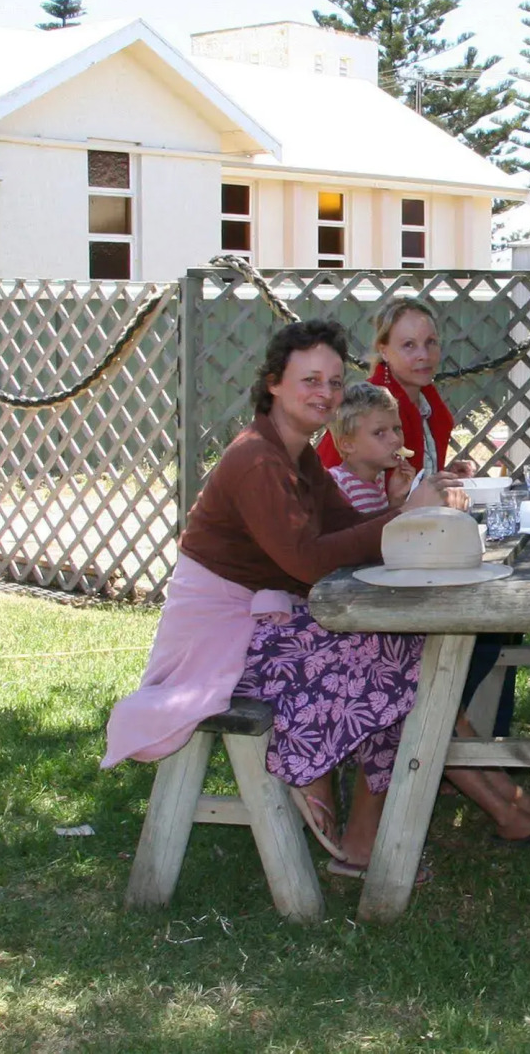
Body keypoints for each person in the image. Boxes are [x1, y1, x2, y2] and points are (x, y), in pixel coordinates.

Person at [102, 320, 464, 880]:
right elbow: (307, 560)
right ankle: (306, 768)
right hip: (220, 644)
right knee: (399, 657)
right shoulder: (257, 460)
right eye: (310, 380)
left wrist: (395, 509)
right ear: (273, 383)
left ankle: (355, 829)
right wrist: (401, 518)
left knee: (404, 648)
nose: (325, 393)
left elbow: (346, 532)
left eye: (335, 382)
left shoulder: (298, 457)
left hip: (266, 623)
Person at [326, 382, 530, 847]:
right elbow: (357, 552)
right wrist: (404, 511)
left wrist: (398, 502)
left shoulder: (377, 486)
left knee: (441, 695)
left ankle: (507, 792)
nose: (395, 441)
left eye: (396, 429)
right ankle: (502, 807)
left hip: (381, 623)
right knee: (426, 696)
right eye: (380, 433)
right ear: (346, 443)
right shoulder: (339, 486)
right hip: (351, 629)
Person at [317, 297, 475, 479]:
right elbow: (335, 484)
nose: (423, 355)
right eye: (409, 345)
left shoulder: (429, 404)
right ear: (384, 351)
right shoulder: (367, 406)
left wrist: (443, 474)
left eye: (430, 342)